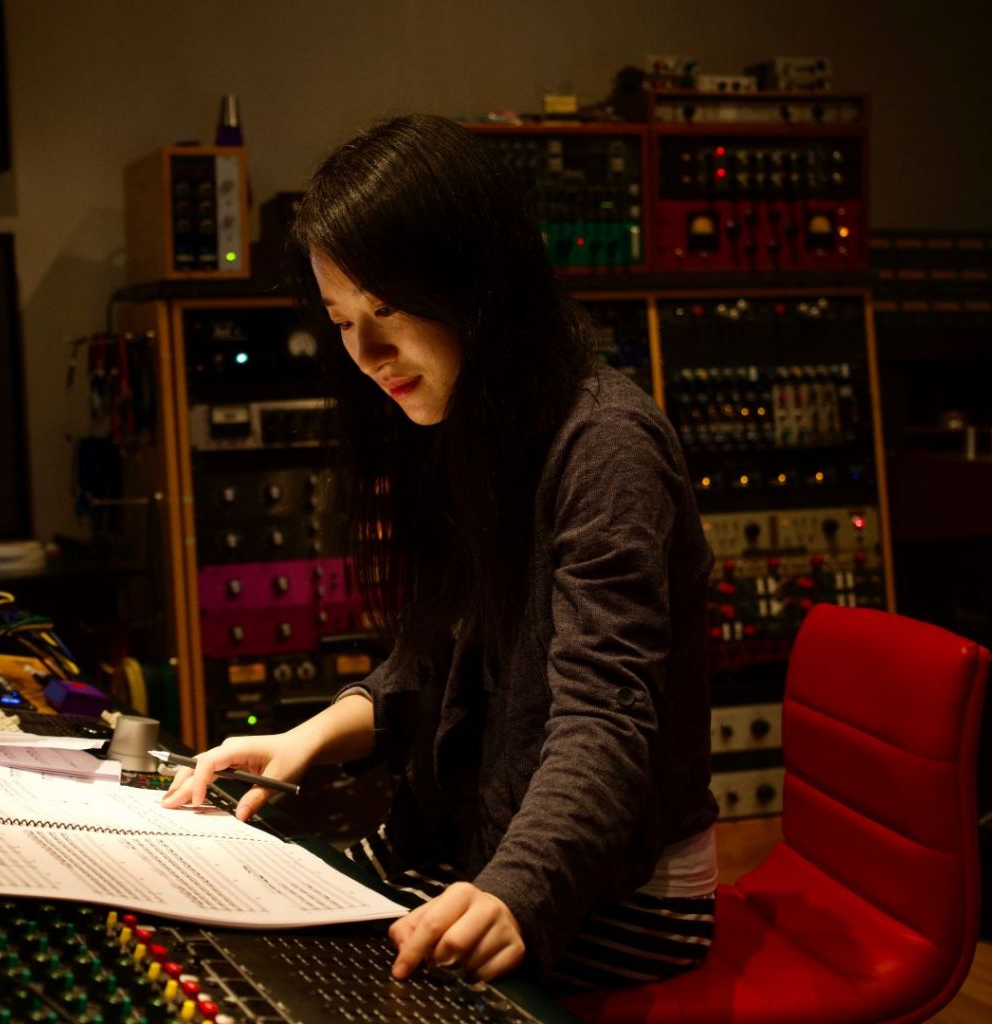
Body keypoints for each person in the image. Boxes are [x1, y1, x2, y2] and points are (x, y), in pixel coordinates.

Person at [161, 113, 718, 991]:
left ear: (478, 284)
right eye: (343, 321)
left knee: (295, 977)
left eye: (386, 311)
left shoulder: (607, 445)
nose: (367, 353)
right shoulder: (469, 422)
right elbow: (440, 665)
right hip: (478, 851)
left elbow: (604, 718)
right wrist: (309, 735)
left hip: (619, 893)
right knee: (215, 919)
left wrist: (517, 891)